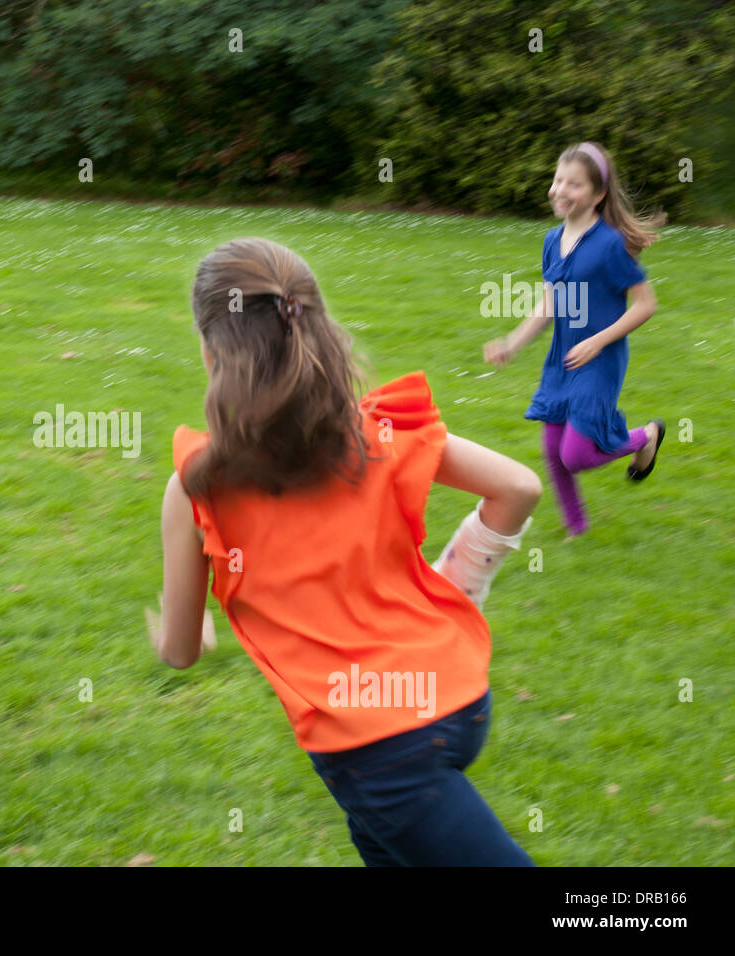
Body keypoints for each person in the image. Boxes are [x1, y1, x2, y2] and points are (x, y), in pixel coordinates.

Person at [151, 237, 541, 866]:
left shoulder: (199, 486)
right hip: (458, 701)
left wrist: (186, 619)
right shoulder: (375, 433)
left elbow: (179, 653)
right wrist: (460, 582)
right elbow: (519, 486)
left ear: (212, 351)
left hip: (381, 750)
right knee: (384, 847)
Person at [484, 141, 666, 538]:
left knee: (577, 454)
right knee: (553, 450)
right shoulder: (552, 240)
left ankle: (645, 436)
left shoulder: (610, 245)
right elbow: (549, 305)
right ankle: (576, 529)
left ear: (599, 194)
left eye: (575, 184)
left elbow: (645, 305)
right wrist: (513, 343)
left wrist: (599, 341)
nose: (561, 190)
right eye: (558, 180)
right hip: (562, 359)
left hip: (599, 359)